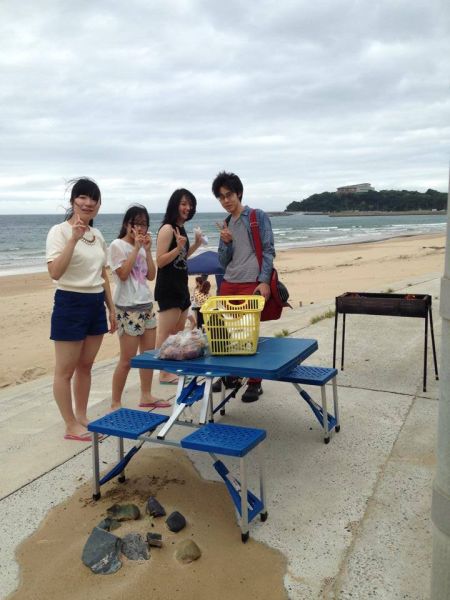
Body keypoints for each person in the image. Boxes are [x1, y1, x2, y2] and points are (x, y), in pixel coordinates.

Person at [46, 178, 117, 441]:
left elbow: (102, 274)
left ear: (99, 205)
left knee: (86, 365)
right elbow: (55, 272)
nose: (88, 203)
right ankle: (70, 425)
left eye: (93, 199)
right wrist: (73, 240)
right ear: (73, 201)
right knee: (65, 370)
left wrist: (111, 308)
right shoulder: (59, 232)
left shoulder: (97, 235)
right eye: (82, 197)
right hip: (70, 302)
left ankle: (82, 416)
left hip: (95, 302)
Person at [212, 171, 275, 402]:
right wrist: (226, 242)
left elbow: (268, 249)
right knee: (226, 333)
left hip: (251, 282)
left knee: (249, 332)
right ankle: (232, 374)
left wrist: (264, 281)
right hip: (229, 282)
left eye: (229, 195)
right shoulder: (226, 223)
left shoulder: (257, 217)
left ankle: (255, 382)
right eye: (221, 197)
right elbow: (222, 261)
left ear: (238, 193)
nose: (226, 200)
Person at [109, 205, 170, 410]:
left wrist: (147, 250)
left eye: (144, 224)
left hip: (146, 305)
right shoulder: (117, 245)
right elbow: (123, 274)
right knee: (127, 360)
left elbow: (151, 275)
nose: (140, 228)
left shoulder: (143, 248)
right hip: (128, 308)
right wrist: (136, 248)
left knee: (147, 356)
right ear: (127, 224)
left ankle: (146, 395)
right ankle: (115, 402)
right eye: (136, 223)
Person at [154, 189, 202, 383]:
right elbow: (160, 261)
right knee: (165, 333)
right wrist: (178, 248)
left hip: (181, 286)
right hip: (168, 287)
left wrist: (196, 244)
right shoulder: (167, 228)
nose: (187, 208)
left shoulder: (181, 229)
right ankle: (163, 373)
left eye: (190, 204)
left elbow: (181, 257)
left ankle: (172, 369)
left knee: (177, 334)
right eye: (183, 203)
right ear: (175, 204)